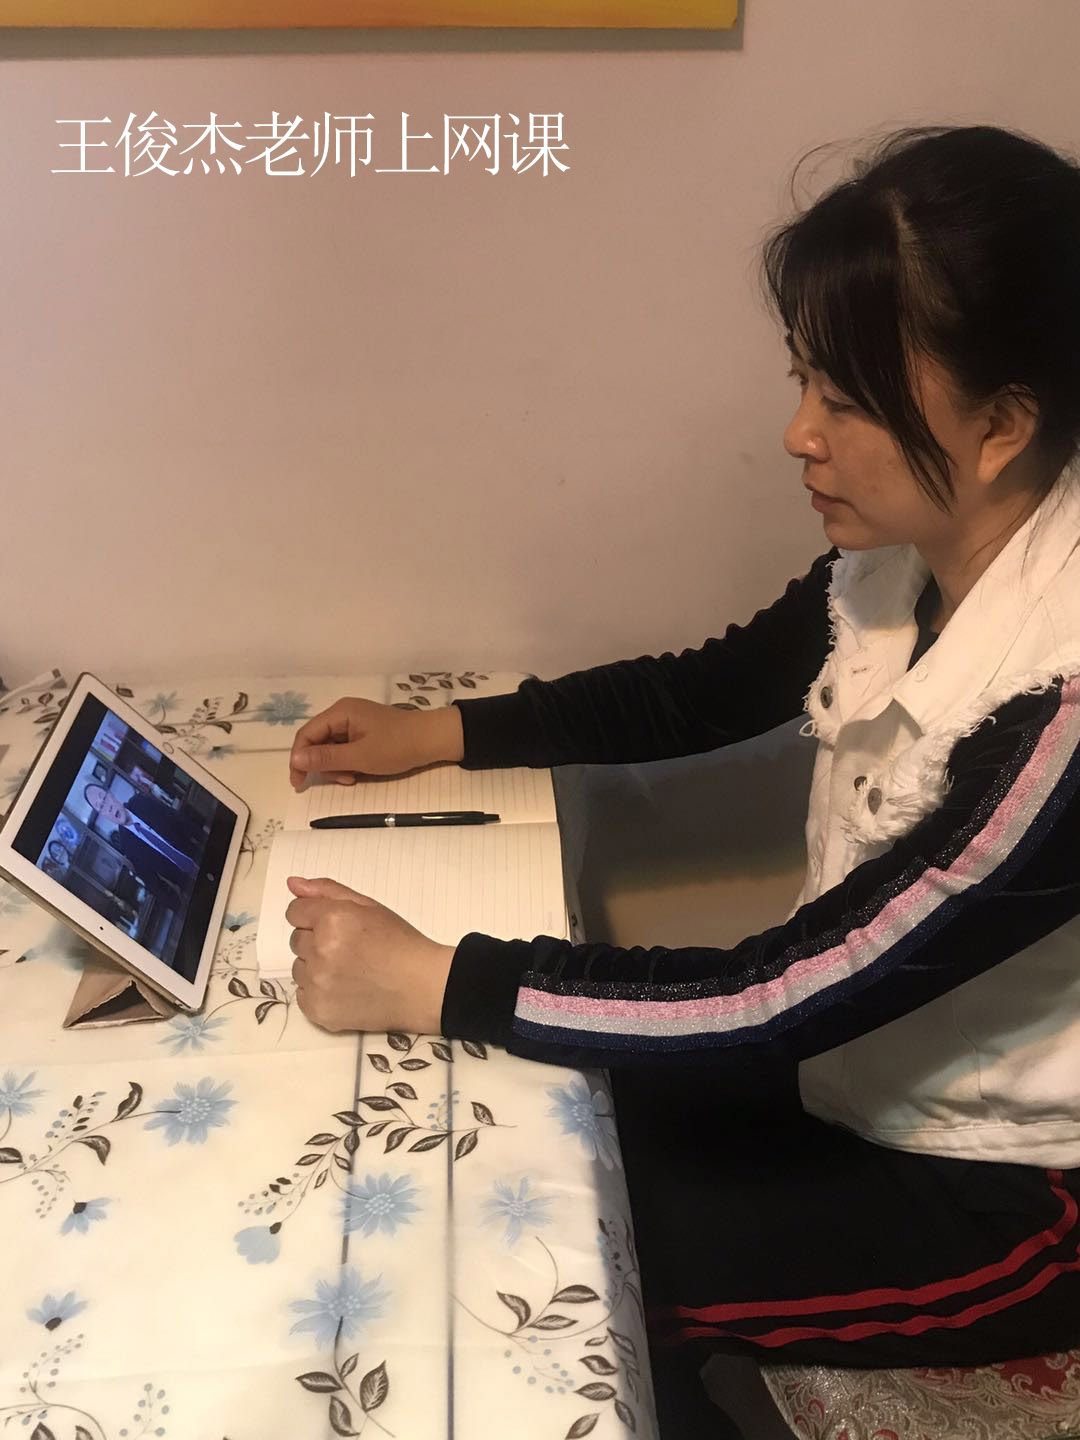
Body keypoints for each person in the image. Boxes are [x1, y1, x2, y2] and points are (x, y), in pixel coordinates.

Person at [283, 125, 1080, 1435]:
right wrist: (448, 731)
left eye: (846, 401)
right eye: (803, 380)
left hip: (1008, 1193)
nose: (798, 434)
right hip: (849, 1074)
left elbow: (787, 990)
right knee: (530, 1138)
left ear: (1002, 426)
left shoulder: (1057, 713)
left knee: (558, 1259)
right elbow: (703, 692)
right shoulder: (901, 560)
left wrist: (439, 978)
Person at [84, 783, 203, 903]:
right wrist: (180, 906)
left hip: (200, 854)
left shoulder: (140, 802)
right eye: (100, 807)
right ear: (102, 815)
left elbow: (179, 820)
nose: (108, 807)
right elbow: (154, 886)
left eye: (104, 798)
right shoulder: (127, 846)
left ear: (111, 794)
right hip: (191, 886)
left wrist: (205, 842)